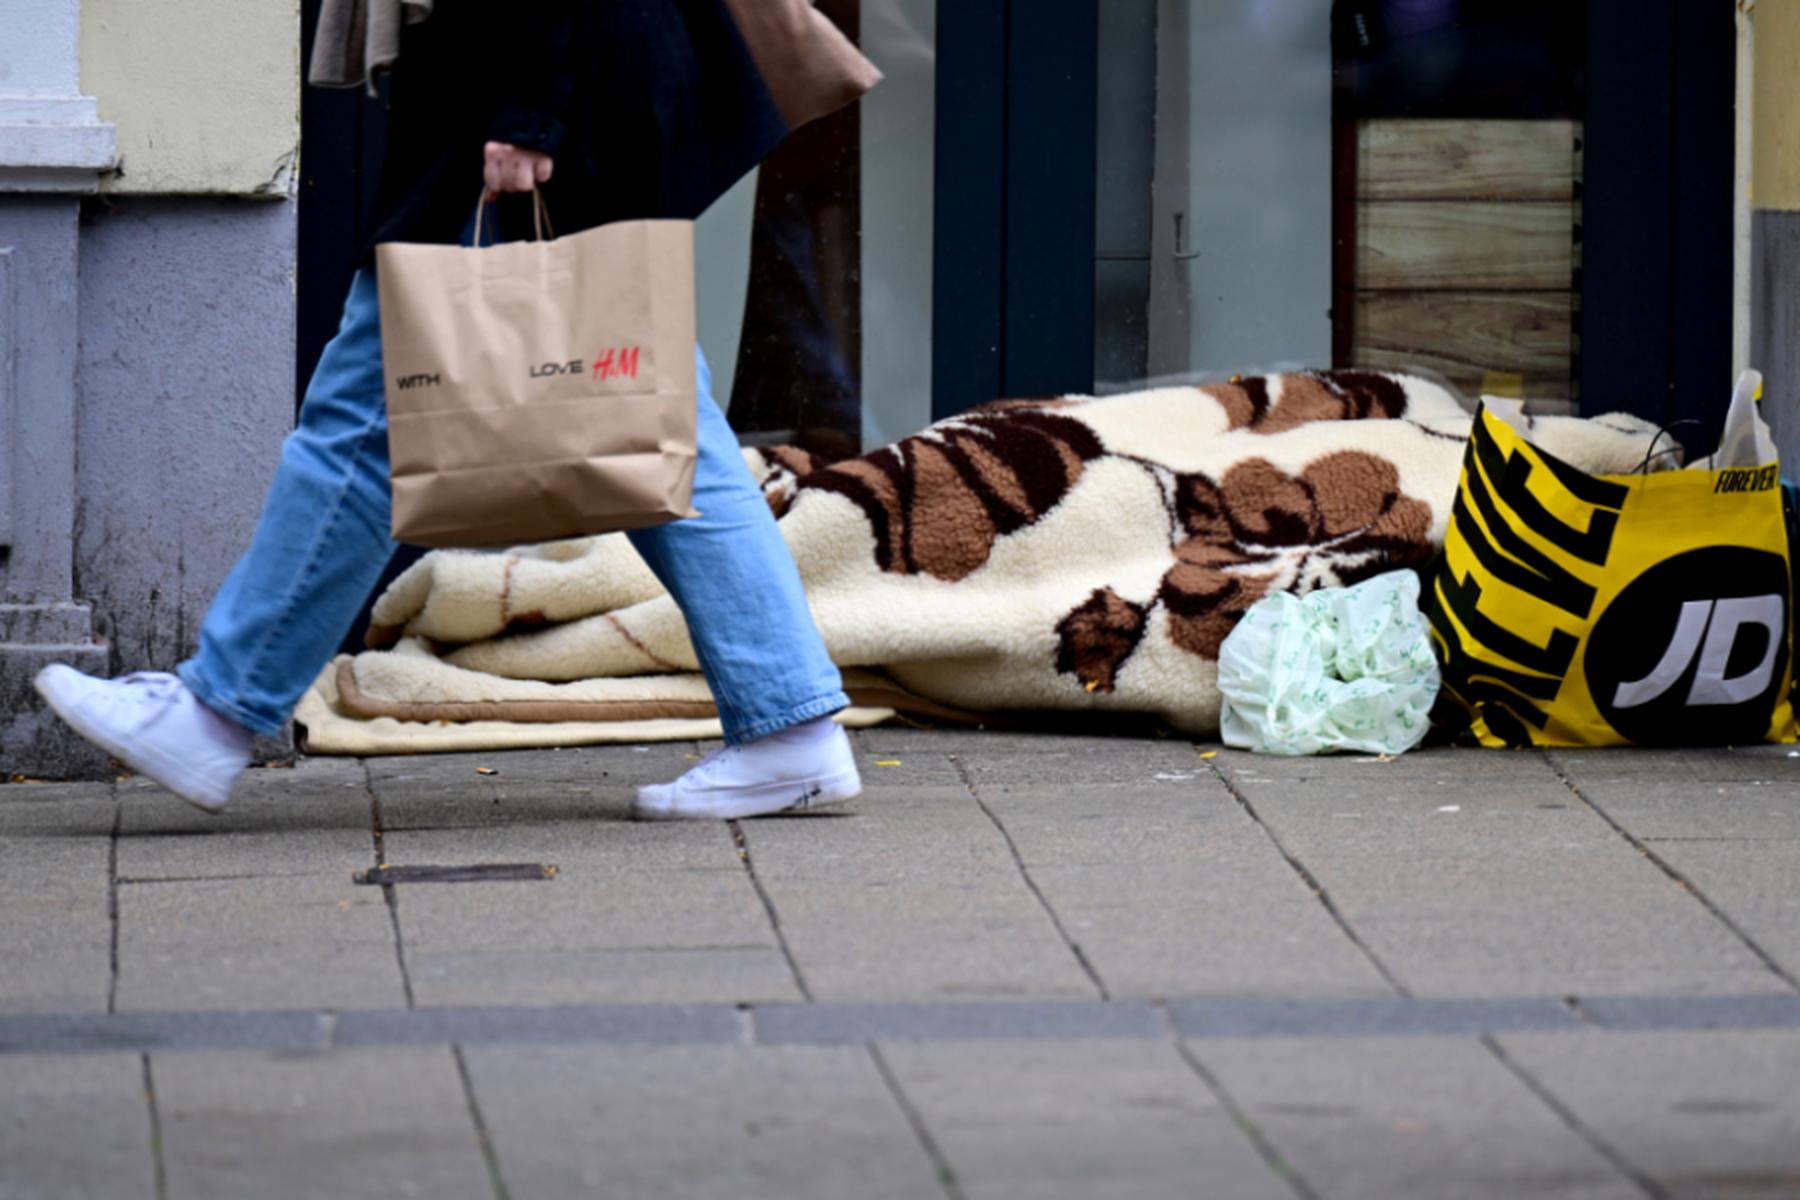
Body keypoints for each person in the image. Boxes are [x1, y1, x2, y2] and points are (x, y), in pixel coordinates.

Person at [33, 1, 862, 821]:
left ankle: (214, 711)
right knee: (652, 412)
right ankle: (788, 718)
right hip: (562, 70)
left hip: (523, 80)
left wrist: (532, 109)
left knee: (369, 418)